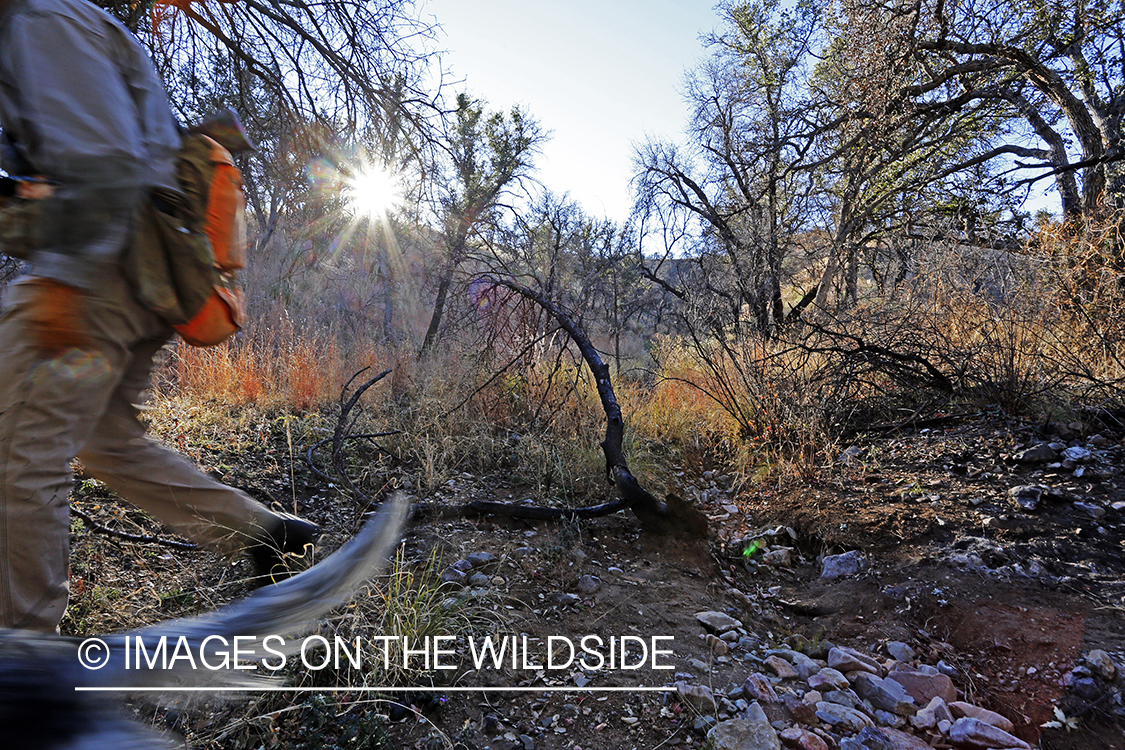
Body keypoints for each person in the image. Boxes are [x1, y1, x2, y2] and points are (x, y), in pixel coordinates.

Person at [0, 0, 317, 632]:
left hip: (96, 272)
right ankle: (261, 535)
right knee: (107, 442)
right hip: (140, 273)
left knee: (17, 453)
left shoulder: (40, 17)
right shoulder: (56, 18)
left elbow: (105, 163)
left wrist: (66, 280)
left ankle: (21, 659)